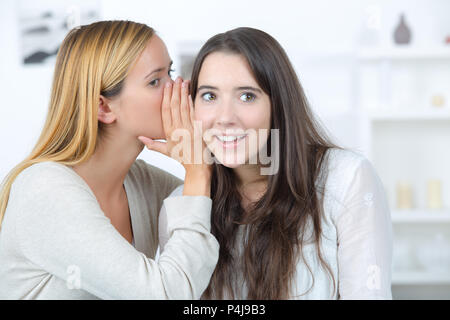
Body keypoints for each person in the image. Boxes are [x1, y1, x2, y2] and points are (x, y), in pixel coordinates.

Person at [154, 27, 393, 299]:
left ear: (278, 103)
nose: (224, 118)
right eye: (209, 96)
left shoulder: (345, 178)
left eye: (247, 96)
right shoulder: (182, 208)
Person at [0, 20, 218, 299]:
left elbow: (218, 206)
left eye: (171, 73)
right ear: (103, 106)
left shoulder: (141, 183)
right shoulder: (45, 189)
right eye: (155, 81)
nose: (178, 90)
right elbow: (164, 294)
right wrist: (197, 172)